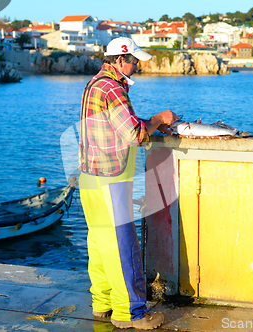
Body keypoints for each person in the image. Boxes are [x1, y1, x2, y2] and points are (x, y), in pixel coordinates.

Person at [78, 37, 178, 330]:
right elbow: (133, 134)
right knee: (123, 246)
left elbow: (116, 125)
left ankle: (103, 304)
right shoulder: (113, 88)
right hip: (111, 180)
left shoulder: (94, 84)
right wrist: (160, 118)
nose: (137, 66)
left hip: (89, 176)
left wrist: (149, 122)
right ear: (120, 60)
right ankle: (131, 314)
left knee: (99, 243)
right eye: (134, 61)